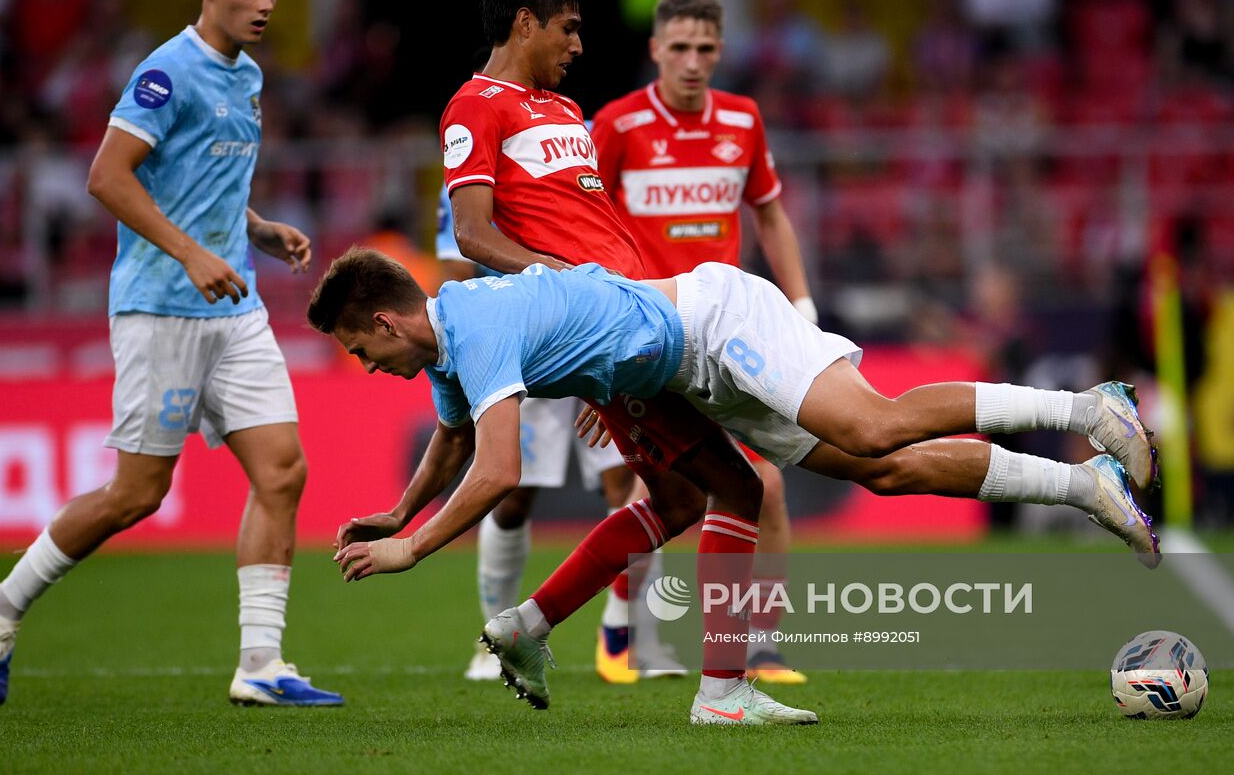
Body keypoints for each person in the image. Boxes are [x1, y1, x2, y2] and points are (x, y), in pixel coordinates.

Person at [313, 250, 1160, 725]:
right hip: (660, 375)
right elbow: (455, 440)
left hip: (715, 325)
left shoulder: (477, 324)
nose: (366, 367)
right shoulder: (448, 349)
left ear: (385, 321)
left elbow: (497, 470)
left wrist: (412, 547)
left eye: (360, 350)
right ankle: (1085, 486)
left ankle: (1088, 404)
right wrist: (399, 508)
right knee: (862, 475)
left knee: (873, 428)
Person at [0, 0, 342, 708]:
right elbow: (109, 176)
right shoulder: (166, 73)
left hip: (231, 307)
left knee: (283, 470)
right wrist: (191, 254)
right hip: (161, 309)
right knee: (137, 494)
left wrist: (256, 229)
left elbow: (197, 181)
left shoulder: (247, 75)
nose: (265, 3)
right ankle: (3, 602)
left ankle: (261, 665)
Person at [435, 0, 809, 724]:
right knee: (740, 484)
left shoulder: (569, 112)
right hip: (584, 324)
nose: (579, 43)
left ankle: (552, 628)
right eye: (568, 27)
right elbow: (471, 233)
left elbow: (599, 233)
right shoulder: (481, 108)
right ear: (525, 23)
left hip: (641, 322)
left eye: (709, 48)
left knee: (681, 494)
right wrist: (578, 306)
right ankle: (713, 686)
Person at [591, 0, 811, 684]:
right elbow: (590, 232)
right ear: (655, 48)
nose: (692, 61)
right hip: (648, 334)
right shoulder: (619, 126)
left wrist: (800, 303)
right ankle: (623, 625)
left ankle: (759, 645)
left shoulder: (743, 120)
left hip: (732, 333)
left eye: (706, 48)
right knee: (654, 490)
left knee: (767, 488)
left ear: (721, 51)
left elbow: (770, 214)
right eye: (679, 47)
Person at [433, 185, 642, 682]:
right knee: (512, 494)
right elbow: (454, 272)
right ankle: (494, 638)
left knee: (627, 480)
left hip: (595, 335)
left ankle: (623, 632)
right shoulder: (471, 179)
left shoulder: (589, 149)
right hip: (521, 351)